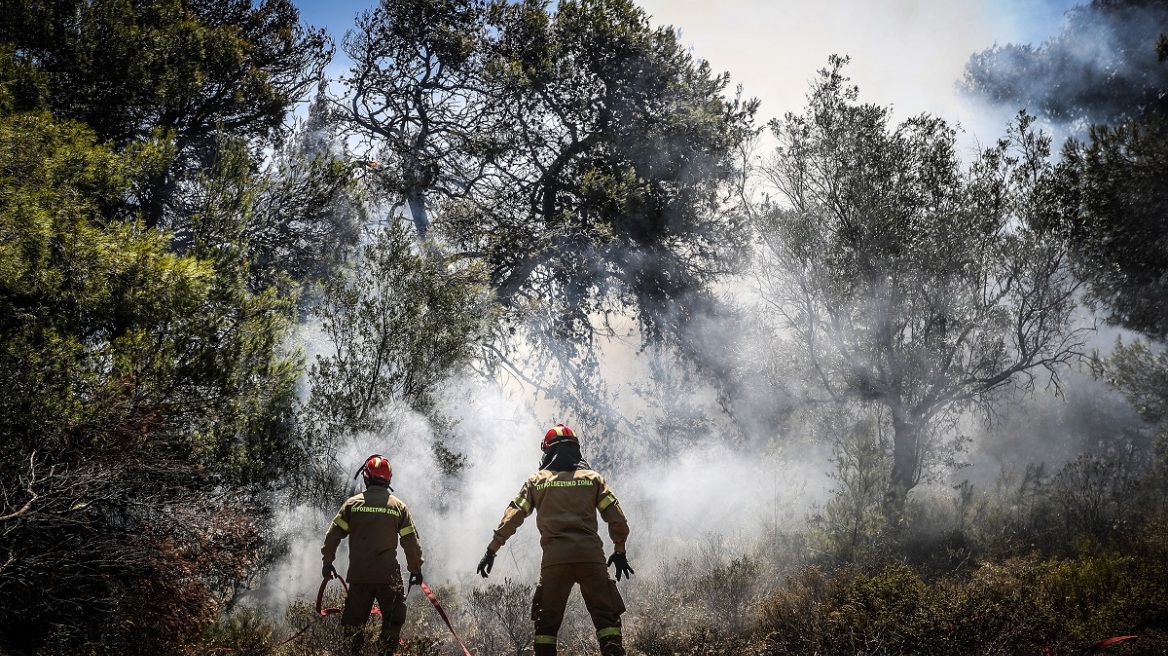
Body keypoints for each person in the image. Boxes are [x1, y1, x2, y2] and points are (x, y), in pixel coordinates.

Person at [477, 424, 634, 656]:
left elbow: (512, 518)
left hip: (555, 561)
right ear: (576, 450)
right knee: (607, 619)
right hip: (591, 558)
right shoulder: (593, 479)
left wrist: (492, 550)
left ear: (548, 451)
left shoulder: (537, 482)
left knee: (546, 625)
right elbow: (618, 519)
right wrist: (619, 550)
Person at [322, 454, 424, 656]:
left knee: (353, 626)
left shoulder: (352, 505)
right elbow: (411, 543)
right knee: (393, 620)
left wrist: (327, 562)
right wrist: (415, 570)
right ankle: (385, 652)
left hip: (360, 576)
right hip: (389, 576)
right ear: (388, 479)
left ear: (366, 477)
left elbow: (333, 536)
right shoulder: (398, 507)